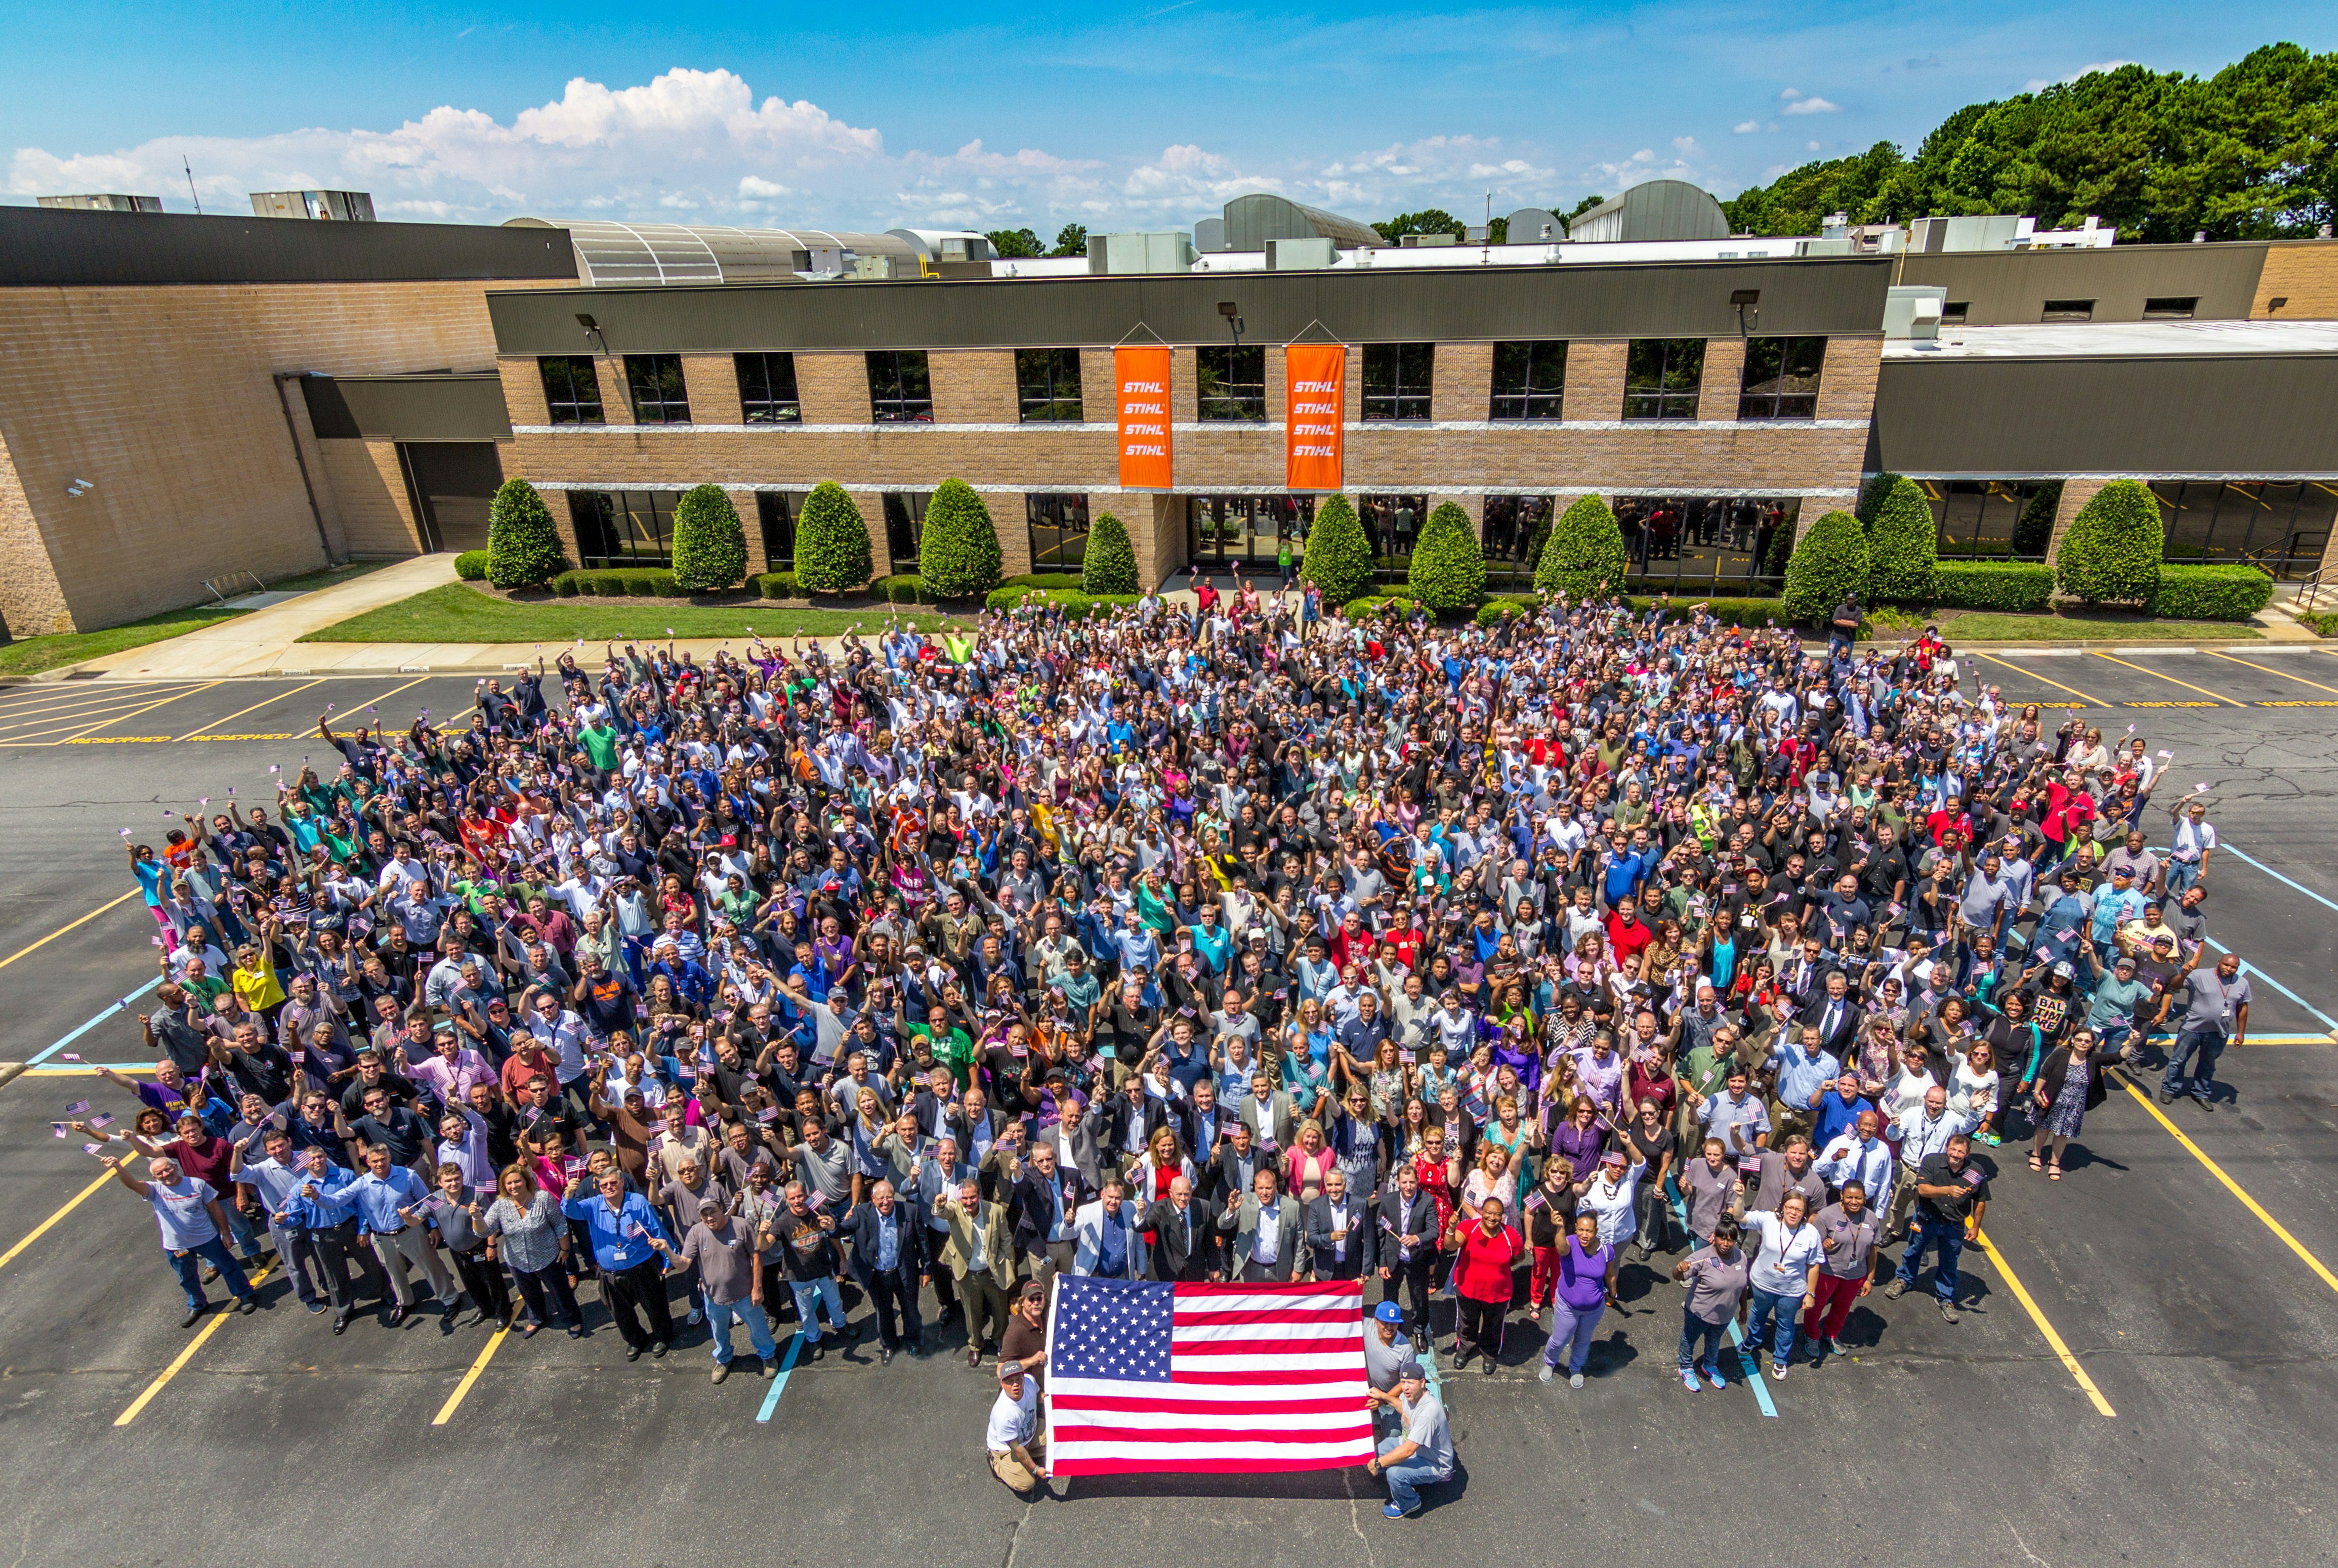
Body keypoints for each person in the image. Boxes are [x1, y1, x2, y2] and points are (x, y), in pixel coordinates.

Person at [110, 1152, 261, 1326]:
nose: (166, 1175)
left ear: (175, 1167)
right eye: (160, 1173)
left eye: (168, 1169)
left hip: (207, 1240)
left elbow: (215, 1209)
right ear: (154, 1177)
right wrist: (118, 1168)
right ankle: (197, 1305)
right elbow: (133, 1185)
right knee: (186, 1277)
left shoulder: (196, 1184)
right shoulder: (154, 1190)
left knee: (229, 1267)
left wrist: (226, 1233)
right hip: (176, 1246)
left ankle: (245, 1294)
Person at [1885, 1131, 1988, 1322]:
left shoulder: (1977, 1172)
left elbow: (1980, 1200)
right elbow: (1923, 1190)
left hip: (1954, 1226)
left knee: (1949, 1262)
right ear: (1947, 1149)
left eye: (1961, 1152)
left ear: (1968, 1154)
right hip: (1926, 1219)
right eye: (1953, 1150)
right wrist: (1948, 1190)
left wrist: (1975, 1227)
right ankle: (1904, 1280)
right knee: (1913, 1252)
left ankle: (1945, 1298)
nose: (1956, 1155)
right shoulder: (1932, 1162)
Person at [1739, 1189, 1822, 1380]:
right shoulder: (1769, 1220)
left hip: (1791, 1292)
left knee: (1786, 1324)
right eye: (1790, 1207)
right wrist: (1739, 1197)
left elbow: (1814, 1265)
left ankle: (1781, 1359)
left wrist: (1811, 1294)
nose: (1794, 1212)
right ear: (1782, 1208)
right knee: (1758, 1314)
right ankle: (1752, 1340)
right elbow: (1740, 1217)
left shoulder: (1811, 1233)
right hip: (1762, 1284)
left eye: (1799, 1210)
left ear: (1804, 1213)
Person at [2029, 1028, 2132, 1180]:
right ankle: (2036, 1154)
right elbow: (2045, 1073)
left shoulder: (2093, 1059)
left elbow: (2117, 1058)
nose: (2083, 1043)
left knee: (2063, 1134)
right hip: (2052, 1100)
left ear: (2092, 1044)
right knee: (2044, 1128)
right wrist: (2037, 1093)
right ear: (2073, 1040)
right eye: (2079, 1039)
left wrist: (2132, 1042)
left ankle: (2055, 1163)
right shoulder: (2061, 1054)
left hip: (2074, 1106)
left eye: (2087, 1041)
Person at [2153, 949, 2249, 1108]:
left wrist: (2240, 1032)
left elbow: (2243, 1007)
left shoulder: (2242, 983)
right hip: (2192, 1029)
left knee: (2208, 1065)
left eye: (2233, 967)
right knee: (2179, 1060)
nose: (2228, 969)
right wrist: (2183, 974)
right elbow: (2173, 985)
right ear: (2219, 962)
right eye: (2226, 964)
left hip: (2218, 1033)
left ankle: (2201, 1092)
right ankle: (2169, 1088)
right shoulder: (2199, 976)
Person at [1801, 1180, 1883, 1364]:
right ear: (1842, 1197)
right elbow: (1810, 1245)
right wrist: (1823, 1245)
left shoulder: (1871, 1218)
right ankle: (1812, 1335)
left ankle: (1831, 1334)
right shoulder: (1826, 1216)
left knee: (1842, 1308)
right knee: (1817, 1305)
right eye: (1850, 1197)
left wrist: (1870, 1278)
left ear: (1865, 1198)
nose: (1854, 1201)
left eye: (1859, 1198)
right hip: (1828, 1272)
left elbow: (1873, 1250)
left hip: (1855, 1276)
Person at [1537, 1209, 1615, 1388]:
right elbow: (1561, 1248)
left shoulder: (1606, 1250)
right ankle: (1549, 1362)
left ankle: (1576, 1368)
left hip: (1594, 1308)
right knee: (1559, 1339)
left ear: (1596, 1231)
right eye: (1581, 1230)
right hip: (1567, 1306)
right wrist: (1559, 1228)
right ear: (1576, 1229)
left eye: (1589, 1231)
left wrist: (1613, 1293)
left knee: (1583, 1340)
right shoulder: (1570, 1243)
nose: (1584, 1235)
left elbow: (1610, 1275)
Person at [1364, 1361, 1452, 1518]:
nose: (1406, 1387)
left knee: (1394, 1473)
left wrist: (1379, 1463)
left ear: (1423, 1383)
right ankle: (1400, 1478)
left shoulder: (1428, 1413)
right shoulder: (1412, 1396)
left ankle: (1409, 1503)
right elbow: (1403, 1407)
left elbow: (1408, 1450)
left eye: (1411, 1383)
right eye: (1403, 1382)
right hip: (1412, 1447)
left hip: (1432, 1463)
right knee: (1371, 1454)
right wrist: (1384, 1396)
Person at [1673, 1217, 1750, 1392]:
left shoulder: (1741, 1256)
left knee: (1714, 1340)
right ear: (1714, 1237)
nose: (1726, 1243)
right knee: (1689, 1339)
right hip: (1699, 1313)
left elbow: (1743, 1286)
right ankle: (1685, 1367)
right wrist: (1679, 1269)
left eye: (1730, 1240)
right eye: (1722, 1238)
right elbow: (1677, 1276)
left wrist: (1743, 1309)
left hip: (1724, 1315)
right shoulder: (1701, 1258)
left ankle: (1709, 1365)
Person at [1449, 1194, 1523, 1374]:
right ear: (1482, 1213)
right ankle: (1466, 1348)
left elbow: (1519, 1257)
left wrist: (1501, 1267)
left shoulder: (1510, 1235)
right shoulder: (1468, 1227)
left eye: (1497, 1214)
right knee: (1467, 1323)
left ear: (1503, 1215)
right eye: (1488, 1213)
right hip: (1467, 1289)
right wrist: (1451, 1229)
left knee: (1493, 1325)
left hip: (1498, 1293)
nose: (1492, 1217)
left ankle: (1489, 1353)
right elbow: (1450, 1246)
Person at [986, 1360, 1048, 1498]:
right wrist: (1036, 1469)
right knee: (1027, 1483)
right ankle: (996, 1463)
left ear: (1024, 1377)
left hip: (1029, 1433)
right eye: (1010, 1382)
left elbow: (1038, 1395)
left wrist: (1043, 1399)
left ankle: (1030, 1454)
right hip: (1008, 1448)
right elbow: (1017, 1448)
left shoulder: (1030, 1382)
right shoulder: (1004, 1414)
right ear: (1002, 1384)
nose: (1016, 1385)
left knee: (1056, 1439)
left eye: (1019, 1379)